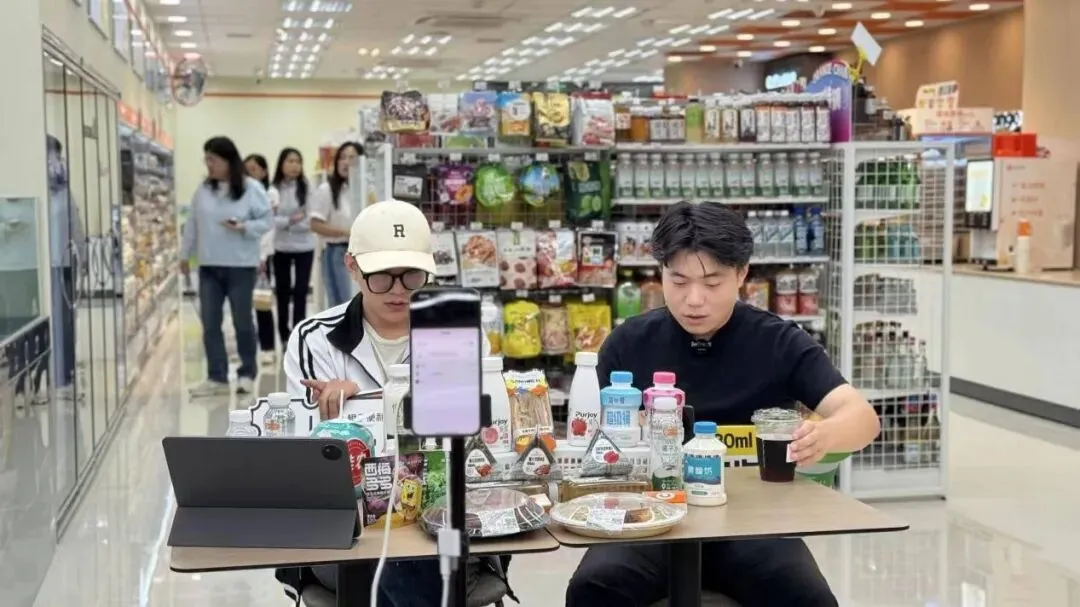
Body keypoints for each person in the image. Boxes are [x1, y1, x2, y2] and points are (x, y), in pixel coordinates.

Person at [565, 202, 881, 607]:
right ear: (660, 272)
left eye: (712, 283)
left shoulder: (778, 342)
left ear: (742, 274)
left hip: (756, 525)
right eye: (678, 281)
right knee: (594, 587)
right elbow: (588, 441)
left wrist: (824, 435)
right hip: (648, 520)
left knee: (807, 598)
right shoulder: (629, 343)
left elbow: (862, 418)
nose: (694, 300)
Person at [283, 199, 492, 605]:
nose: (398, 290)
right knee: (392, 568)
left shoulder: (456, 335)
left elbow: (478, 441)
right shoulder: (315, 338)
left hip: (439, 514)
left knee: (414, 563)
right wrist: (333, 423)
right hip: (349, 528)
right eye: (381, 276)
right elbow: (304, 460)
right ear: (352, 266)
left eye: (411, 275)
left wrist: (361, 401)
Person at [179, 136, 272, 397]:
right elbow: (192, 224)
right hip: (209, 266)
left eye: (213, 159)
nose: (208, 164)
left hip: (240, 266)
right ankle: (216, 376)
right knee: (210, 322)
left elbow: (267, 221)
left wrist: (244, 226)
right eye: (206, 159)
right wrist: (184, 255)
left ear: (228, 160)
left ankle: (247, 373)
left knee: (242, 321)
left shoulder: (252, 188)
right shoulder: (203, 191)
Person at [309, 141, 364, 308]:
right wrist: (347, 232)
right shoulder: (327, 189)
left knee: (360, 304)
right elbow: (315, 225)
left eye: (352, 157)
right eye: (342, 158)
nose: (346, 162)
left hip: (364, 252)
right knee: (341, 306)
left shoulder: (366, 188)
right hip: (337, 251)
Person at [271, 147, 316, 346]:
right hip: (281, 248)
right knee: (282, 293)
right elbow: (271, 220)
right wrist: (291, 220)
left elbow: (310, 220)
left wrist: (287, 223)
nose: (294, 165)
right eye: (290, 161)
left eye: (298, 161)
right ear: (281, 164)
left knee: (301, 292)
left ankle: (298, 332)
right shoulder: (273, 189)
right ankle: (283, 333)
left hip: (305, 247)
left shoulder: (307, 187)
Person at [244, 153, 280, 365]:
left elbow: (268, 227)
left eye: (254, 169)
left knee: (262, 301)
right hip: (241, 256)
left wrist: (262, 256)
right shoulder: (240, 195)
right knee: (242, 306)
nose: (249, 174)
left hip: (262, 256)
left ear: (264, 172)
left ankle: (268, 347)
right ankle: (248, 348)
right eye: (246, 170)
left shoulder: (270, 193)